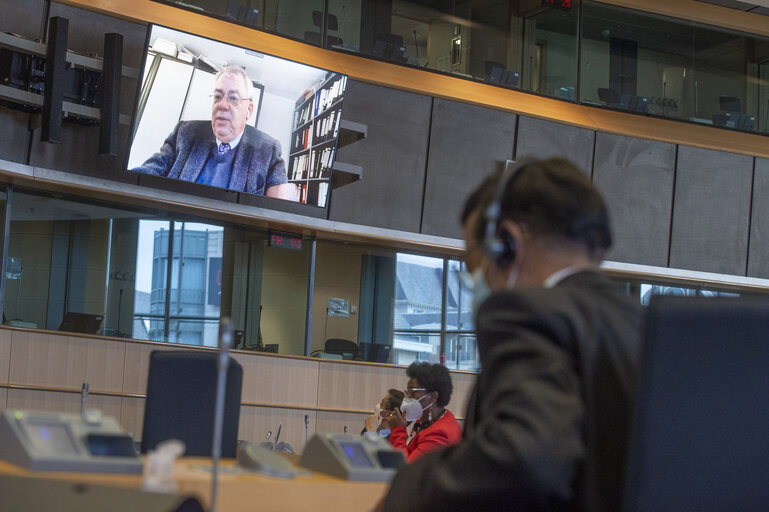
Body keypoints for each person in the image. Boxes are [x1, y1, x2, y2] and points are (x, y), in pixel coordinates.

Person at [378, 158, 642, 511]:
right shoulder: (645, 326)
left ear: (507, 244)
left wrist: (405, 491)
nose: (477, 282)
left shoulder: (527, 313)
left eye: (474, 266)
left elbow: (522, 459)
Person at [133, 65, 296, 200]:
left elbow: (278, 208)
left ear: (249, 110)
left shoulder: (268, 150)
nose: (222, 105)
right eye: (218, 96)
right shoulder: (186, 133)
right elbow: (148, 173)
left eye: (233, 98)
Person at [384, 362, 462, 463]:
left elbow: (408, 472)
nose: (407, 398)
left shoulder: (439, 434)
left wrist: (398, 430)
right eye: (408, 392)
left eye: (414, 392)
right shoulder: (425, 420)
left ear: (433, 397)